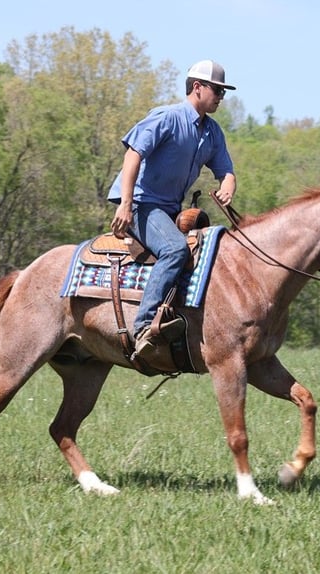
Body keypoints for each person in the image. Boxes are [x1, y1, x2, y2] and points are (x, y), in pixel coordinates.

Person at [108, 59, 238, 359]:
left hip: (168, 210)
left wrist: (228, 185)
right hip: (142, 204)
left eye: (223, 92)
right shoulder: (167, 118)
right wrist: (126, 205)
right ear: (197, 87)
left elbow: (226, 171)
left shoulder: (213, 133)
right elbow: (133, 155)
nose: (221, 97)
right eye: (217, 90)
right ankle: (143, 327)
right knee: (175, 250)